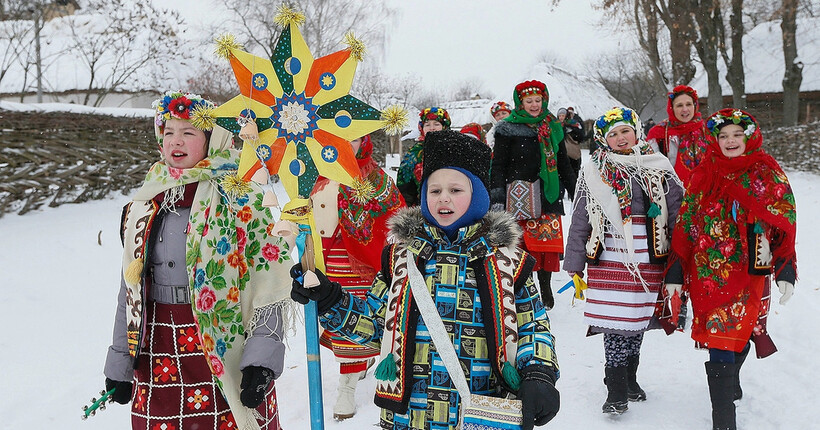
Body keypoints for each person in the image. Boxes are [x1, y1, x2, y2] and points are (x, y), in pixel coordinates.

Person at [290, 130, 561, 430]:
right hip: (409, 417)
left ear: (478, 196)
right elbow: (375, 326)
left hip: (480, 412)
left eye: (456, 190)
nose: (444, 197)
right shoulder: (400, 260)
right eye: (434, 190)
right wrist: (330, 298)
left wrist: (539, 373)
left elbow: (533, 325)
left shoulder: (508, 262)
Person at [103, 91, 295, 430]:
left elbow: (269, 283)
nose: (176, 141)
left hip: (221, 343)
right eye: (168, 133)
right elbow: (130, 287)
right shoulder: (145, 202)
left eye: (189, 132)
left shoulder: (241, 196)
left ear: (211, 139)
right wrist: (120, 362)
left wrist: (260, 362)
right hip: (157, 347)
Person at [665, 109, 797, 430]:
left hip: (751, 272)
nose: (730, 141)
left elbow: (784, 218)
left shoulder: (766, 172)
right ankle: (724, 420)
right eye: (723, 136)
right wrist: (675, 269)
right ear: (714, 140)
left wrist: (786, 268)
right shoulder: (703, 172)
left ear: (748, 136)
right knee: (719, 341)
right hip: (709, 273)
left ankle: (732, 376)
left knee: (739, 339)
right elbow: (686, 222)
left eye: (737, 134)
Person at [563, 107, 683, 415]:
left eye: (624, 131)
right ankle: (615, 388)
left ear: (637, 133)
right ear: (603, 139)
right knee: (616, 323)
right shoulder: (594, 171)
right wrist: (574, 261)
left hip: (648, 258)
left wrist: (682, 255)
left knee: (637, 321)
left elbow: (678, 212)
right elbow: (581, 218)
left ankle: (630, 377)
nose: (619, 138)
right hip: (610, 257)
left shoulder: (657, 166)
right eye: (612, 134)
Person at [310, 134, 406, 420]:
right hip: (325, 258)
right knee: (332, 315)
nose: (346, 144)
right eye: (340, 138)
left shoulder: (377, 179)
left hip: (365, 260)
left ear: (363, 142)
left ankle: (347, 386)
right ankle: (357, 365)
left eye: (353, 139)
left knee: (356, 316)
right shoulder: (317, 174)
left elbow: (396, 215)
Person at [490, 79, 577, 309]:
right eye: (529, 101)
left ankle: (545, 286)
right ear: (520, 102)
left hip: (547, 195)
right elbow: (497, 166)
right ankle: (525, 289)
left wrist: (575, 190)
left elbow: (562, 162)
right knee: (522, 247)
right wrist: (497, 197)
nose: (534, 105)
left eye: (538, 100)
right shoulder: (507, 129)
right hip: (519, 196)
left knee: (546, 245)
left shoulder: (553, 127)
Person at [646, 85, 710, 185]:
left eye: (688, 104)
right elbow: (653, 169)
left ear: (695, 106)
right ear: (672, 108)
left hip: (706, 192)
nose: (685, 109)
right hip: (673, 194)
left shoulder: (708, 130)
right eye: (679, 105)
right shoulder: (659, 133)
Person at [396, 107, 451, 206]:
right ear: (422, 128)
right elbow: (405, 187)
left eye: (436, 124)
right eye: (427, 124)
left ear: (444, 126)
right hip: (422, 208)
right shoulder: (415, 153)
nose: (432, 128)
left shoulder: (455, 149)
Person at [562, 107, 585, 179]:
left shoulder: (576, 122)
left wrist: (572, 130)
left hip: (574, 151)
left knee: (575, 172)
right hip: (565, 152)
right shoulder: (560, 124)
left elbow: (581, 136)